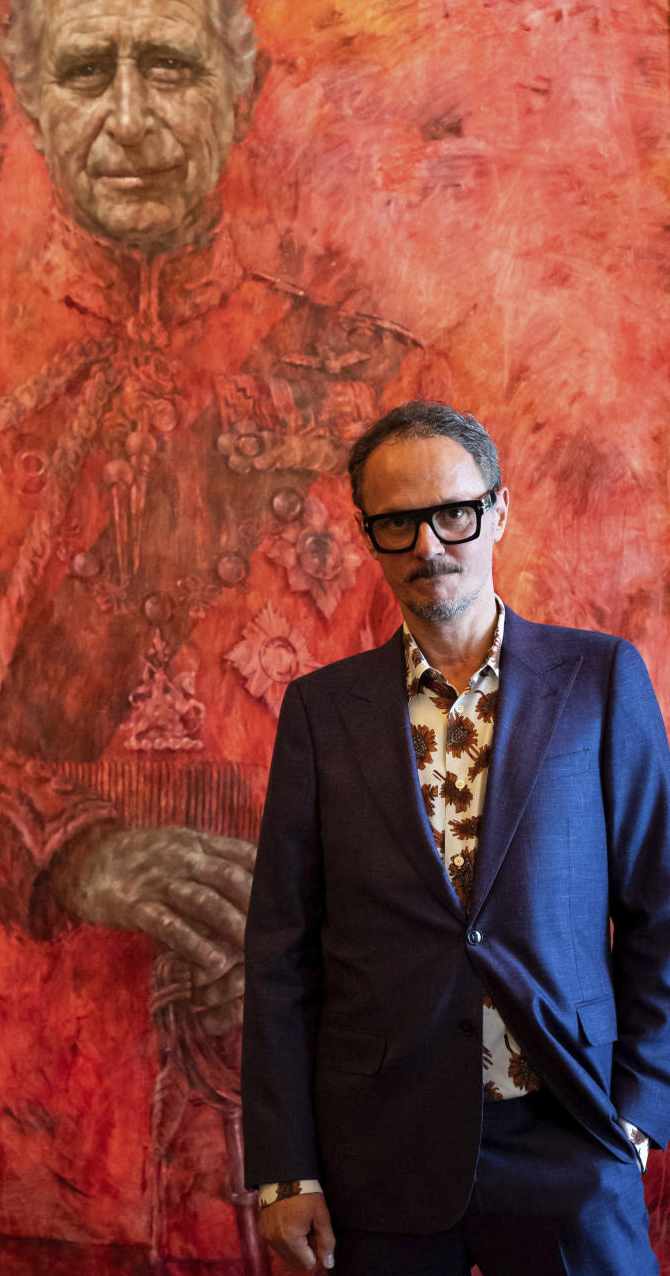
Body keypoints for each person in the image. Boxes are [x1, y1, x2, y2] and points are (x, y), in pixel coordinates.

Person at [0, 0, 446, 1275]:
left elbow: (452, 729)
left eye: (171, 65)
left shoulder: (375, 393)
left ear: (239, 82)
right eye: (89, 71)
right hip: (15, 1107)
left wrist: (312, 908)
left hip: (308, 1097)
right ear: (27, 93)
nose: (131, 115)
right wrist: (78, 850)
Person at [242, 400, 670, 1275]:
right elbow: (282, 953)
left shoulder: (599, 680)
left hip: (570, 1127)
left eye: (453, 514)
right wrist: (287, 1170)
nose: (428, 546)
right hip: (379, 1147)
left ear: (499, 512)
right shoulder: (323, 713)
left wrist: (638, 1107)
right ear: (369, 535)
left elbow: (661, 910)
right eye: (396, 523)